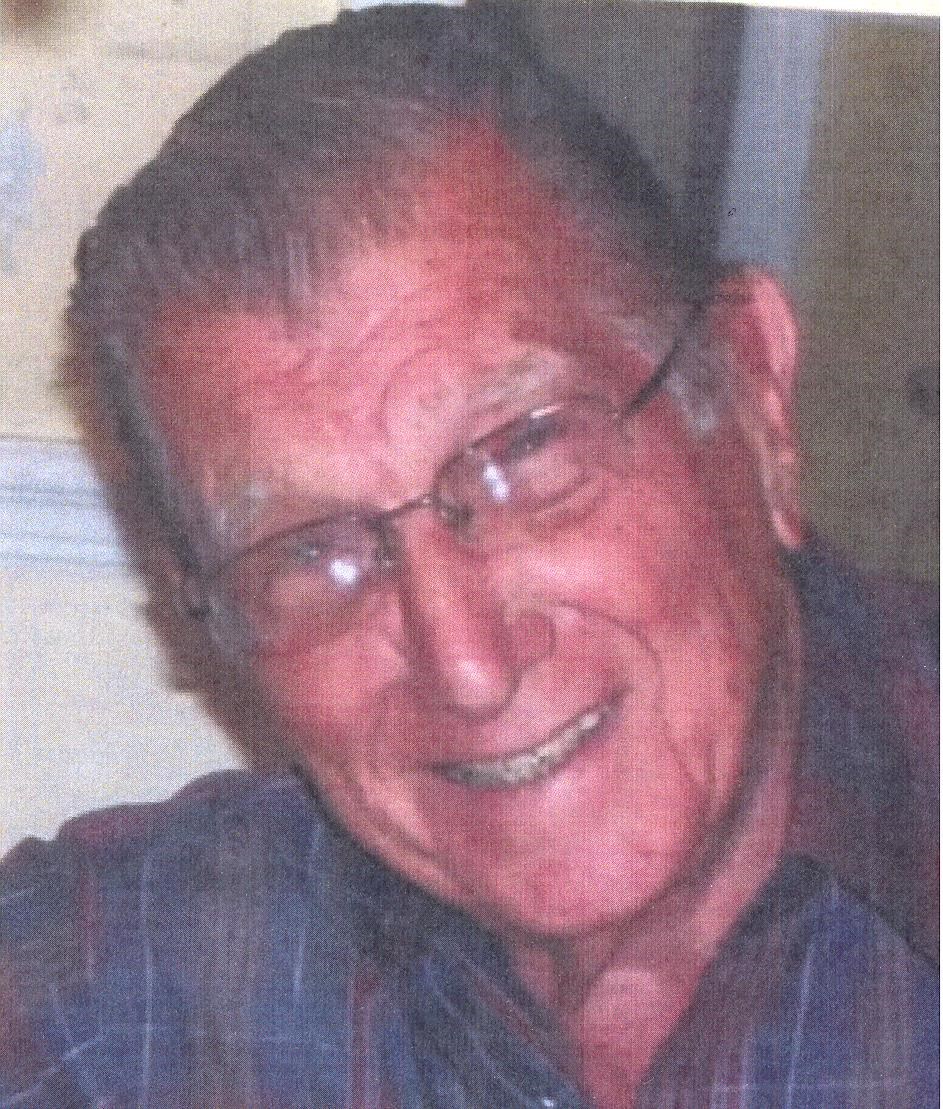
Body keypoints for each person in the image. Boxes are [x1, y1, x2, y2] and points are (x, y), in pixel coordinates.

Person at [0, 5, 937, 1107]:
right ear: (206, 622)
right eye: (314, 554)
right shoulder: (124, 996)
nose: (467, 664)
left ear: (750, 391)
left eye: (524, 453)